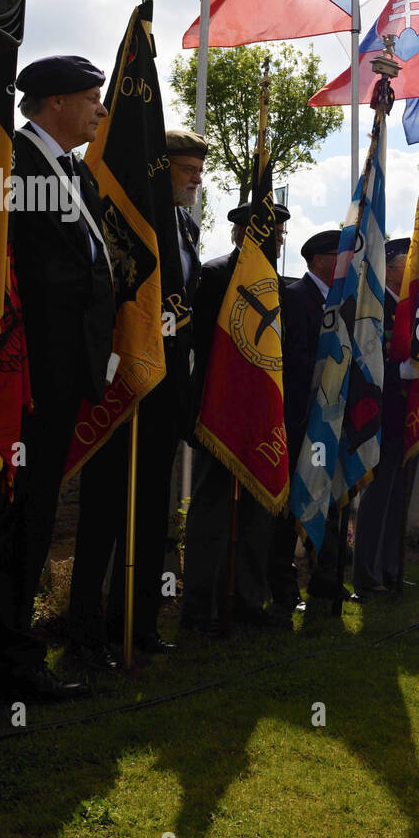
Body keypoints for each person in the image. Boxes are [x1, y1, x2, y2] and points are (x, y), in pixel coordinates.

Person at [0, 56, 115, 700]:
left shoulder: (75, 174)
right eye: (91, 98)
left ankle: (15, 654)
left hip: (65, 374)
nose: (99, 110)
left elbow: (91, 264)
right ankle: (9, 663)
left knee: (33, 519)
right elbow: (29, 273)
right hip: (26, 373)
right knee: (18, 518)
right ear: (54, 103)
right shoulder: (15, 165)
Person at [68, 129, 206, 666]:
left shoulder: (186, 225)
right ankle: (83, 635)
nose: (196, 180)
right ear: (161, 167)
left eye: (198, 170)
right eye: (187, 169)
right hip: (122, 385)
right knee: (103, 510)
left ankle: (137, 624)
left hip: (167, 389)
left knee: (152, 512)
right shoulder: (124, 218)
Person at [179, 197, 290, 635]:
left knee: (258, 514)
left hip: (261, 413)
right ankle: (200, 608)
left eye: (280, 233)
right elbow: (201, 347)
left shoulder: (274, 282)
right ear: (244, 233)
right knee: (212, 509)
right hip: (218, 410)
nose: (278, 239)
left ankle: (247, 599)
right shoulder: (214, 275)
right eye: (271, 232)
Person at [272, 228, 346, 610]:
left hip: (331, 417)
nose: (344, 263)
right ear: (319, 260)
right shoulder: (295, 297)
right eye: (338, 256)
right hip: (301, 417)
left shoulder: (341, 301)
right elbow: (291, 356)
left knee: (329, 500)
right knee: (294, 503)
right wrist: (330, 368)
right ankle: (283, 588)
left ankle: (326, 580)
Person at [352, 237, 419, 596]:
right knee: (378, 497)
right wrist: (398, 373)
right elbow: (367, 359)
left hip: (408, 416)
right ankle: (366, 573)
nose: (412, 270)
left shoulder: (413, 308)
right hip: (382, 414)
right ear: (390, 269)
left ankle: (391, 567)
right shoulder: (377, 307)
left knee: (399, 496)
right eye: (406, 263)